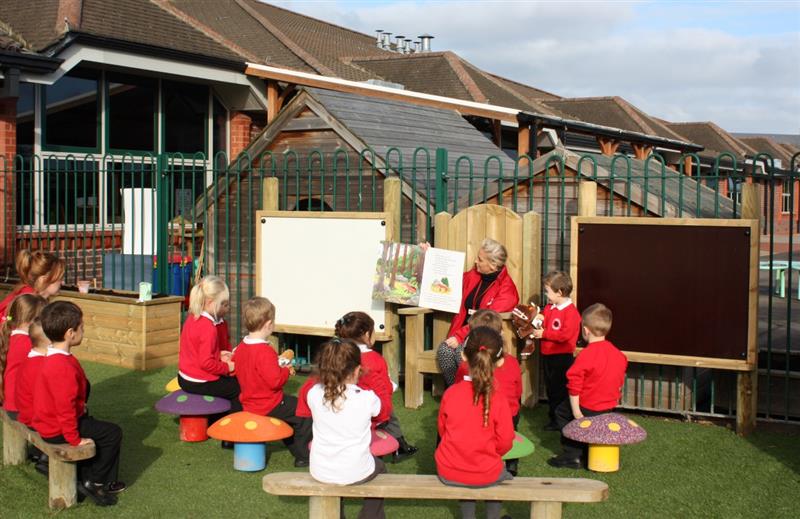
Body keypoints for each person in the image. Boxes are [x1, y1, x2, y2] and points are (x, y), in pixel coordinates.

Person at [32, 301, 125, 506]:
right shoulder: (60, 366)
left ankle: (91, 477)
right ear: (70, 333)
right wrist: (74, 440)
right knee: (112, 433)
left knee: (99, 429)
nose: (84, 330)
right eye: (82, 327)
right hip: (57, 428)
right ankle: (96, 482)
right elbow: (64, 409)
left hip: (53, 422)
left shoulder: (55, 356)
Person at [436, 326, 515, 519]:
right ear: (500, 361)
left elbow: (442, 430)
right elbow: (505, 442)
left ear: (463, 355)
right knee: (499, 468)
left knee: (475, 466)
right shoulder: (499, 399)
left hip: (449, 470)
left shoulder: (451, 393)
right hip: (485, 471)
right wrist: (489, 452)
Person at [307, 338, 386, 519]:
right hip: (356, 470)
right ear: (358, 369)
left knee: (342, 474)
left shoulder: (313, 393)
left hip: (321, 470)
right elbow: (380, 410)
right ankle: (370, 516)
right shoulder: (366, 398)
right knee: (381, 468)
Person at [548, 303, 628, 469]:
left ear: (585, 330)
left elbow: (574, 384)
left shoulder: (586, 355)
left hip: (587, 404)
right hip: (608, 405)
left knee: (562, 414)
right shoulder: (619, 355)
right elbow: (620, 379)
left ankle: (573, 455)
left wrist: (576, 410)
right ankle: (589, 450)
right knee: (590, 422)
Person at [233, 296, 310, 467]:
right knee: (304, 413)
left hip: (249, 402)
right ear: (268, 324)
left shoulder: (241, 348)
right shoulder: (264, 351)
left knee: (292, 411)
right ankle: (303, 455)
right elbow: (275, 381)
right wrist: (285, 370)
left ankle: (294, 444)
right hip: (268, 403)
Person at [335, 311, 417, 462]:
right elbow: (383, 385)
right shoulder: (374, 359)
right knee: (390, 419)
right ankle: (399, 448)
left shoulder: (340, 355)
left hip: (348, 402)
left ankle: (398, 447)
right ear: (367, 334)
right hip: (375, 403)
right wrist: (392, 386)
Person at [436, 238, 519, 387]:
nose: (475, 261)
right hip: (461, 333)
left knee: (462, 352)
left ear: (493, 265)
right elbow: (448, 278)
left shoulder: (507, 291)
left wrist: (459, 336)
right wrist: (428, 256)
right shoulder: (473, 275)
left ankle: (474, 391)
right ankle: (456, 390)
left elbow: (484, 319)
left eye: (480, 259)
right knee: (444, 351)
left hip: (482, 338)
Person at [453, 310, 522, 475]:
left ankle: (458, 456)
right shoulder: (512, 362)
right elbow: (518, 392)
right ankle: (511, 463)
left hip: (478, 415)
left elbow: (458, 392)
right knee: (512, 417)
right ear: (501, 334)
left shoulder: (465, 366)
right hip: (508, 416)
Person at [177, 276, 241, 418]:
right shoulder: (208, 328)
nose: (228, 307)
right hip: (198, 381)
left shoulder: (193, 318)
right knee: (238, 388)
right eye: (224, 303)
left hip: (184, 376)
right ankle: (227, 424)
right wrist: (228, 367)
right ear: (211, 303)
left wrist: (219, 355)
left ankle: (217, 417)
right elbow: (206, 363)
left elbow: (196, 351)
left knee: (229, 383)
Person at [527, 271, 580, 431]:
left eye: (547, 291)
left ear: (560, 292)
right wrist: (537, 320)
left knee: (560, 390)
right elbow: (544, 320)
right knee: (551, 388)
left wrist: (544, 333)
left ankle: (562, 419)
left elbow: (565, 335)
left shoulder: (571, 312)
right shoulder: (550, 308)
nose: (545, 294)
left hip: (562, 358)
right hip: (548, 356)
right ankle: (554, 419)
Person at [1, 294, 47, 419]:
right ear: (33, 321)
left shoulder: (11, 336)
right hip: (20, 407)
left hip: (11, 403)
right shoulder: (27, 343)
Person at [0, 250, 64, 320]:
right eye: (59, 278)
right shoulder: (28, 302)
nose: (62, 282)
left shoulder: (30, 296)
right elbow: (10, 322)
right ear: (44, 279)